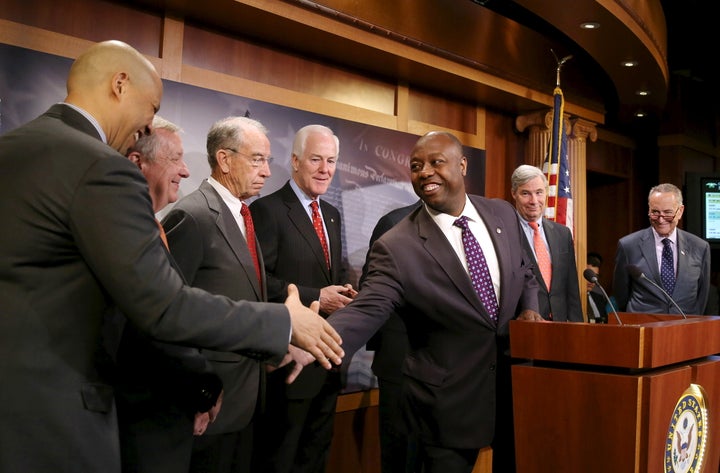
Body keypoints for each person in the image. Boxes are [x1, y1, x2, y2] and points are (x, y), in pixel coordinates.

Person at [0, 39, 342, 473]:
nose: (145, 129)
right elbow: (163, 306)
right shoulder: (102, 165)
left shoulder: (13, 147)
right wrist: (284, 323)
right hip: (61, 423)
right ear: (119, 85)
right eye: (150, 108)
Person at [325, 131, 544, 473]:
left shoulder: (501, 213)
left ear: (462, 165)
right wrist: (315, 339)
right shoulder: (397, 245)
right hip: (448, 405)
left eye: (436, 162)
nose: (425, 171)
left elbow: (525, 269)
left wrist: (530, 308)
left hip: (512, 391)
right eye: (416, 166)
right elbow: (368, 308)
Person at [160, 116, 275, 473]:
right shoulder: (192, 216)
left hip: (247, 399)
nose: (268, 171)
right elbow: (168, 313)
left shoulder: (243, 213)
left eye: (267, 160)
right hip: (209, 407)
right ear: (224, 160)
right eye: (257, 159)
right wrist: (196, 392)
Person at [112, 115, 224, 473]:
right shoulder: (122, 230)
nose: (186, 171)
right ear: (136, 163)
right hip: (144, 415)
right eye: (175, 158)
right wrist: (202, 383)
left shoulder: (149, 225)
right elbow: (157, 319)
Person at [250, 124, 358, 473]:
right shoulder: (267, 210)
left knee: (315, 459)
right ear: (295, 161)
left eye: (331, 161)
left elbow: (332, 275)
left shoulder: (332, 214)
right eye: (316, 159)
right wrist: (317, 297)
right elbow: (258, 281)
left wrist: (343, 291)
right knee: (280, 460)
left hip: (328, 364)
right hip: (289, 367)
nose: (325, 169)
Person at [359, 200, 422, 473]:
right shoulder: (394, 223)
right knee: (400, 458)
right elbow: (370, 290)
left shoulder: (468, 228)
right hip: (400, 365)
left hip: (452, 371)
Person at [613, 183, 711, 315]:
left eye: (667, 213)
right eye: (655, 212)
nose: (661, 219)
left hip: (685, 327)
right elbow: (621, 296)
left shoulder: (700, 247)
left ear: (680, 211)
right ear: (649, 210)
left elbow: (702, 296)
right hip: (644, 327)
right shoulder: (628, 245)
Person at [510, 164, 583, 322]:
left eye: (539, 192)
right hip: (524, 327)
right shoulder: (506, 234)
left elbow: (571, 290)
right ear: (513, 194)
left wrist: (578, 329)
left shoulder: (562, 234)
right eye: (525, 193)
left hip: (560, 326)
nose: (534, 201)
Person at [585, 252, 608, 323]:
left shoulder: (599, 298)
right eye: (589, 275)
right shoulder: (573, 299)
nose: (592, 280)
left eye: (595, 276)